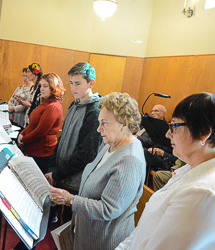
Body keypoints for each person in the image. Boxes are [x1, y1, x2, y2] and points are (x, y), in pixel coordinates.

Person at [116, 92, 215, 250]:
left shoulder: (204, 193)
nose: (168, 134)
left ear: (203, 133)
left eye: (174, 126)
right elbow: (142, 233)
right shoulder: (194, 168)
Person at [50, 92, 146, 250]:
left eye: (105, 123)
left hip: (103, 240)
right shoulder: (111, 143)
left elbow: (109, 209)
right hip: (87, 231)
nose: (98, 128)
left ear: (124, 124)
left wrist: (70, 200)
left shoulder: (130, 159)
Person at [45, 62, 102, 223]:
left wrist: (57, 173)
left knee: (68, 227)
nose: (73, 88)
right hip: (61, 175)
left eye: (77, 83)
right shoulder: (74, 104)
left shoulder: (95, 111)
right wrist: (52, 169)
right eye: (71, 83)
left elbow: (86, 154)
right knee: (47, 220)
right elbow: (62, 139)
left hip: (76, 182)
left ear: (91, 83)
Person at [18, 73, 65, 174]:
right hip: (34, 150)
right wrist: (22, 133)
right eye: (41, 86)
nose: (41, 89)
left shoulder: (53, 107)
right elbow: (32, 125)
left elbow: (40, 132)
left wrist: (23, 140)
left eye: (45, 86)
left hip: (42, 154)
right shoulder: (45, 103)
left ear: (54, 88)